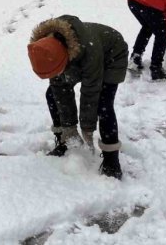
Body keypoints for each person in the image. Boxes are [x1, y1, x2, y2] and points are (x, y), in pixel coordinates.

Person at [27, 15, 128, 179]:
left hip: (111, 55)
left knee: (103, 103)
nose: (57, 75)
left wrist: (87, 128)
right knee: (53, 93)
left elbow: (90, 92)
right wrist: (69, 128)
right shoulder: (47, 49)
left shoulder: (89, 52)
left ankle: (111, 160)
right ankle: (64, 141)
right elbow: (60, 90)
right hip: (74, 55)